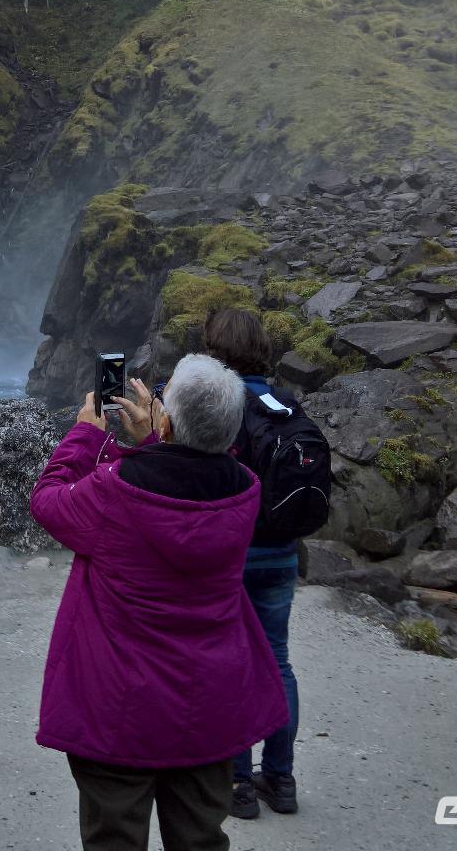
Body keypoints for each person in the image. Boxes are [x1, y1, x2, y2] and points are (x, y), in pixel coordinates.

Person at [29, 353, 288, 851]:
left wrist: (84, 435)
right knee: (200, 839)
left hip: (119, 707)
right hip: (208, 704)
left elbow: (48, 502)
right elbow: (183, 493)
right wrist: (155, 442)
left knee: (115, 840)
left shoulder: (114, 492)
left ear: (166, 421)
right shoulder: (244, 492)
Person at [201, 308, 300, 821]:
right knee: (277, 660)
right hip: (282, 551)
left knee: (232, 662)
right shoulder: (284, 404)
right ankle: (280, 778)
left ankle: (238, 782)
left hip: (233, 553)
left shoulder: (219, 404)